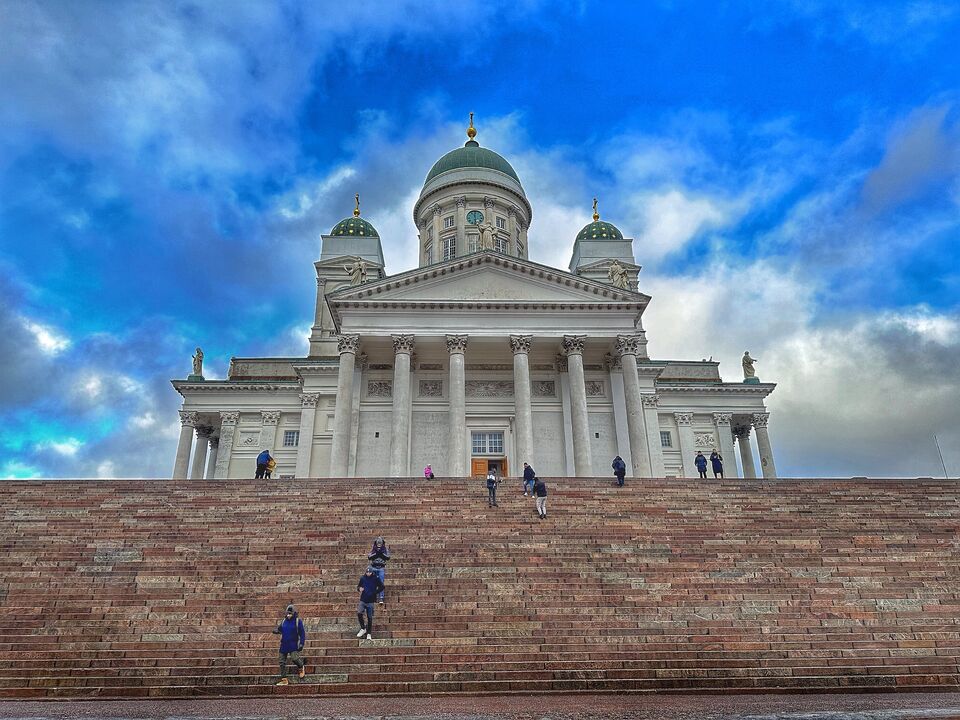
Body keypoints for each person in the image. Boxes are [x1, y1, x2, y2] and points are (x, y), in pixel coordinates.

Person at [271, 603, 305, 685]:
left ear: (294, 613)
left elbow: (302, 633)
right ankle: (284, 679)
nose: (289, 615)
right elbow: (280, 629)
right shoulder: (284, 621)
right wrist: (276, 631)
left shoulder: (298, 621)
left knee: (295, 658)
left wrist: (301, 643)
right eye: (288, 613)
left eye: (290, 614)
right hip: (284, 644)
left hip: (293, 644)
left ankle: (301, 667)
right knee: (281, 662)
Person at [356, 566, 385, 640]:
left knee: (369, 617)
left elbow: (382, 586)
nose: (368, 573)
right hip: (363, 599)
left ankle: (369, 633)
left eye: (369, 572)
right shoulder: (363, 578)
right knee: (359, 613)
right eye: (367, 572)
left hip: (371, 600)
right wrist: (359, 589)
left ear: (372, 572)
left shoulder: (375, 578)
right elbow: (358, 586)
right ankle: (363, 628)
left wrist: (375, 592)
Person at [367, 537, 390, 604]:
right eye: (378, 543)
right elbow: (369, 557)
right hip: (374, 567)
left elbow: (388, 557)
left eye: (380, 543)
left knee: (381, 583)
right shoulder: (373, 549)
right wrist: (376, 554)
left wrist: (381, 554)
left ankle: (381, 597)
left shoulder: (385, 550)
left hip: (381, 568)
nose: (379, 544)